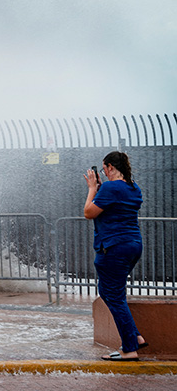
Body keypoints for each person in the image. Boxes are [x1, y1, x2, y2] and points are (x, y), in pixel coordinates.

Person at [83, 151, 147, 361]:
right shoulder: (133, 187)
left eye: (104, 169)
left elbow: (89, 212)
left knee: (113, 295)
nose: (103, 172)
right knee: (112, 292)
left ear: (110, 167)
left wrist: (93, 188)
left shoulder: (111, 187)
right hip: (133, 245)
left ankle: (129, 349)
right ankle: (135, 338)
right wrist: (101, 188)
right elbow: (116, 206)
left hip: (113, 247)